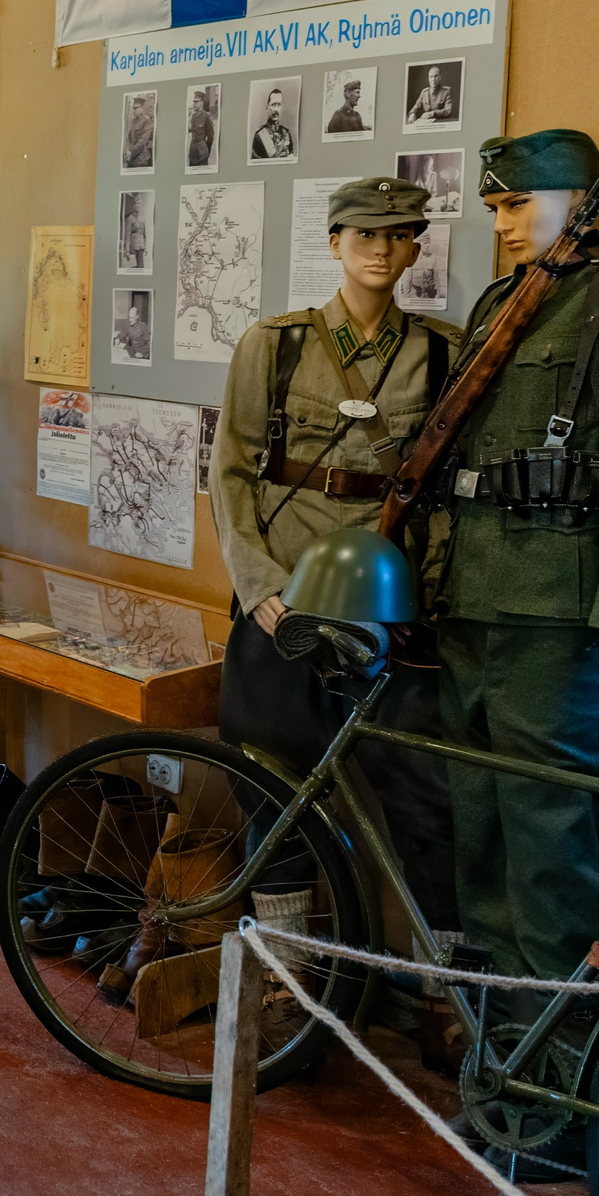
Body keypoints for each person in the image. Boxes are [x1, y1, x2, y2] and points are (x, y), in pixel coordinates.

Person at [436, 129, 599, 990]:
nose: (504, 223)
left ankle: (571, 1074)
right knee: (480, 839)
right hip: (473, 607)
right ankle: (508, 1057)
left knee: (555, 853)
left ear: (576, 201)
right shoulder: (497, 304)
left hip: (558, 619)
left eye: (518, 203)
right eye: (494, 207)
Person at [197, 177, 463, 967]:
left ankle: (444, 985)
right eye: (365, 235)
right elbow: (232, 474)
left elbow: (445, 499)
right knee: (270, 786)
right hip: (286, 606)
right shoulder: (274, 346)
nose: (382, 251)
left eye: (398, 235)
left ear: (415, 245)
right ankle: (287, 969)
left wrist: (429, 596)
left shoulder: (442, 354)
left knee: (426, 798)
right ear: (335, 243)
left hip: (390, 617)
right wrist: (259, 590)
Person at [251, 86, 294, 161]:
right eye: (273, 105)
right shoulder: (260, 134)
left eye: (279, 104)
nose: (276, 109)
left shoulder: (286, 132)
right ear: (267, 108)